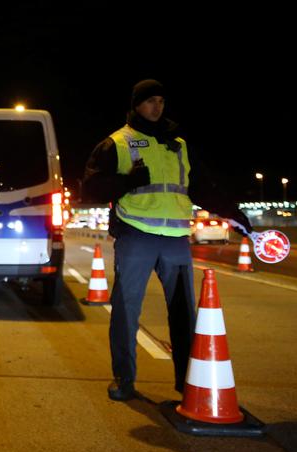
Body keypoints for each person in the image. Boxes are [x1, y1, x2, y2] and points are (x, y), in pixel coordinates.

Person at [81, 79, 252, 401]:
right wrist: (126, 182)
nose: (156, 107)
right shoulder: (117, 143)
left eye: (160, 101)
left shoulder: (179, 145)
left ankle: (187, 381)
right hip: (136, 235)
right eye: (149, 101)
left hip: (175, 239)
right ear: (135, 105)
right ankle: (124, 378)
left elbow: (202, 187)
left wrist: (233, 212)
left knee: (184, 314)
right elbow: (90, 189)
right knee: (126, 310)